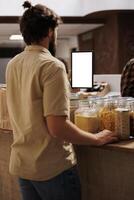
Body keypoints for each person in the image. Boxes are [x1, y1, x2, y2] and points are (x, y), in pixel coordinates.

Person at [6, 1, 118, 200]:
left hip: (23, 166)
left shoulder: (13, 64)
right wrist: (96, 138)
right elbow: (57, 127)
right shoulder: (53, 66)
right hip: (52, 168)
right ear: (50, 31)